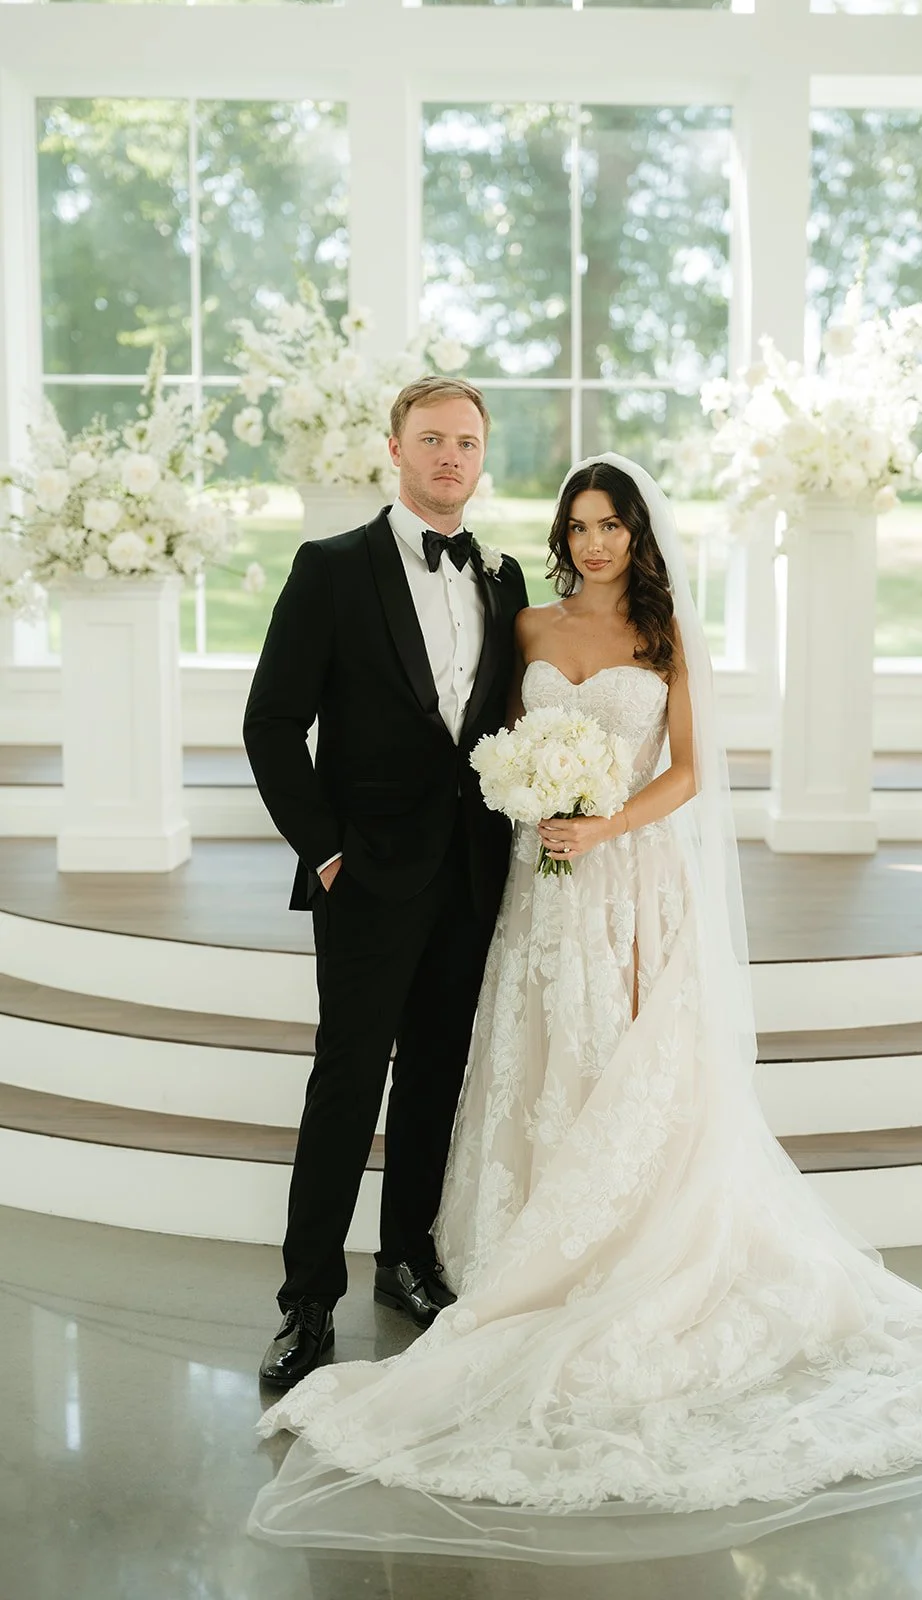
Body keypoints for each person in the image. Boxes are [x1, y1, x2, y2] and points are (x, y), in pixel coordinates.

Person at [248, 455, 922, 1564]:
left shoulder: (668, 638)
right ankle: (329, 1288)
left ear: (638, 534)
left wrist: (603, 820)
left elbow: (690, 770)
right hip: (519, 881)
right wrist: (451, 826)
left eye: (609, 524)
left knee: (592, 1060)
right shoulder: (519, 620)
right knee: (474, 1054)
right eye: (577, 524)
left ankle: (503, 1250)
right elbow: (471, 740)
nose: (591, 540)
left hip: (621, 873)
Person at [243, 376, 528, 1389]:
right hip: (365, 875)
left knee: (437, 1077)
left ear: (480, 457)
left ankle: (406, 1256)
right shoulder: (331, 570)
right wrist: (325, 851)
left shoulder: (503, 577)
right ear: (396, 450)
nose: (450, 455)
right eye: (432, 438)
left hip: (469, 871)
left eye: (466, 440)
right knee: (347, 1082)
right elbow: (271, 723)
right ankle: (306, 1298)